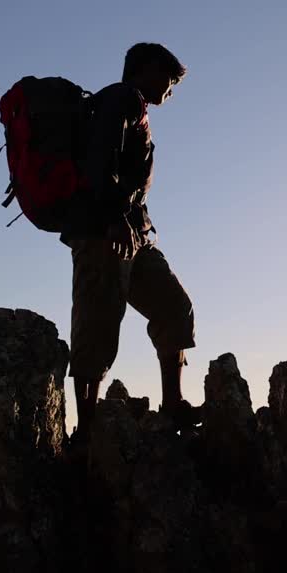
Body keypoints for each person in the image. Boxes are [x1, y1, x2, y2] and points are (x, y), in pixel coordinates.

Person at [63, 43, 196, 442]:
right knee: (97, 330)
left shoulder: (134, 109)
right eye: (169, 80)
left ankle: (173, 406)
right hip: (104, 234)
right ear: (148, 69)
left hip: (135, 235)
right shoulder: (120, 99)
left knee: (175, 307)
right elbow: (98, 162)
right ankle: (85, 435)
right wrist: (115, 218)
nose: (170, 91)